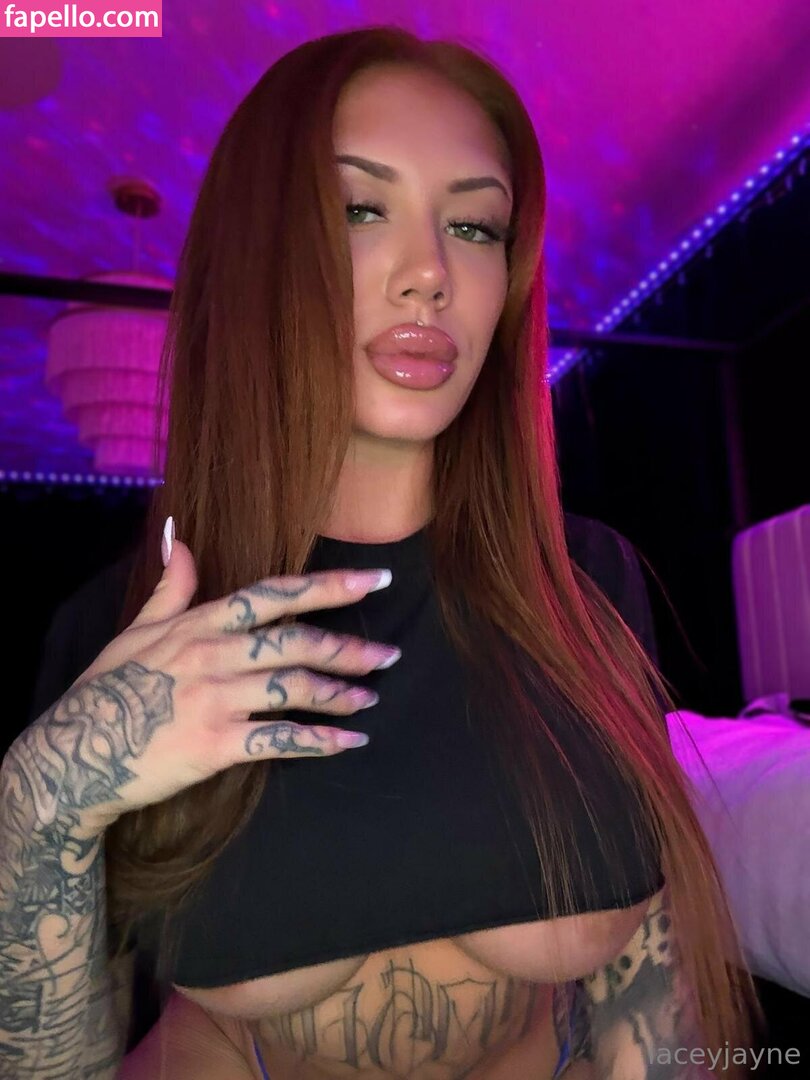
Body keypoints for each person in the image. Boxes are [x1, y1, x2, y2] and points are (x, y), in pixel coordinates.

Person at [1, 25, 760, 1080]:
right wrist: (40, 801)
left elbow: (648, 986)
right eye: (361, 209)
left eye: (475, 226)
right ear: (259, 255)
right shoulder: (126, 637)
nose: (429, 275)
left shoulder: (586, 584)